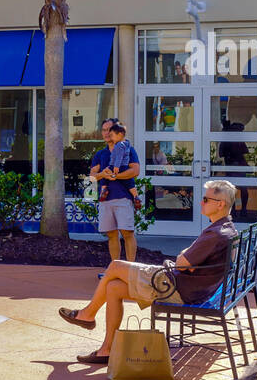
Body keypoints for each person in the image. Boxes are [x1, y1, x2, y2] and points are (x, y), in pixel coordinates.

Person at [58, 179, 239, 365]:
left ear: (220, 204)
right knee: (113, 287)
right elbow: (187, 262)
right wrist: (184, 256)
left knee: (115, 267)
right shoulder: (226, 228)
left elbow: (182, 262)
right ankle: (106, 350)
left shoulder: (215, 234)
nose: (201, 202)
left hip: (176, 289)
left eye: (205, 199)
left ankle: (87, 315)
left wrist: (183, 256)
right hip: (185, 286)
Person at [90, 118, 140, 263]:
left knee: (127, 233)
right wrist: (102, 175)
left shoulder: (128, 149)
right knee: (112, 235)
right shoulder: (100, 154)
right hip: (106, 200)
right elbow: (92, 177)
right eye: (104, 130)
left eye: (109, 130)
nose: (106, 133)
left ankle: (130, 269)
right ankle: (115, 269)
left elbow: (135, 171)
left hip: (124, 198)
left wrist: (115, 175)